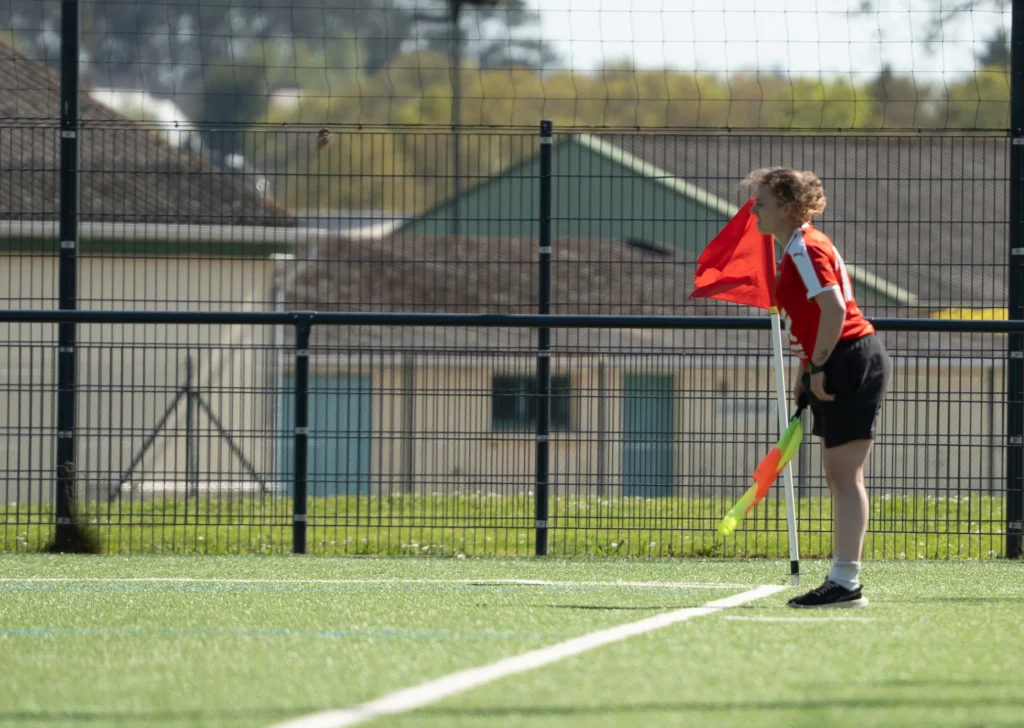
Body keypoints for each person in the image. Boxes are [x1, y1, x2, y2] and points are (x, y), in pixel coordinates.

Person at [745, 167, 892, 609]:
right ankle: (843, 580)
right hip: (837, 358)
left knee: (845, 476)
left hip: (848, 358)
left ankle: (845, 583)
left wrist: (820, 365)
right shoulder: (797, 246)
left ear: (788, 207)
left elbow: (833, 309)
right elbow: (813, 318)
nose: (753, 210)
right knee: (839, 475)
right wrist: (806, 369)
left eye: (761, 202)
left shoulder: (805, 247)